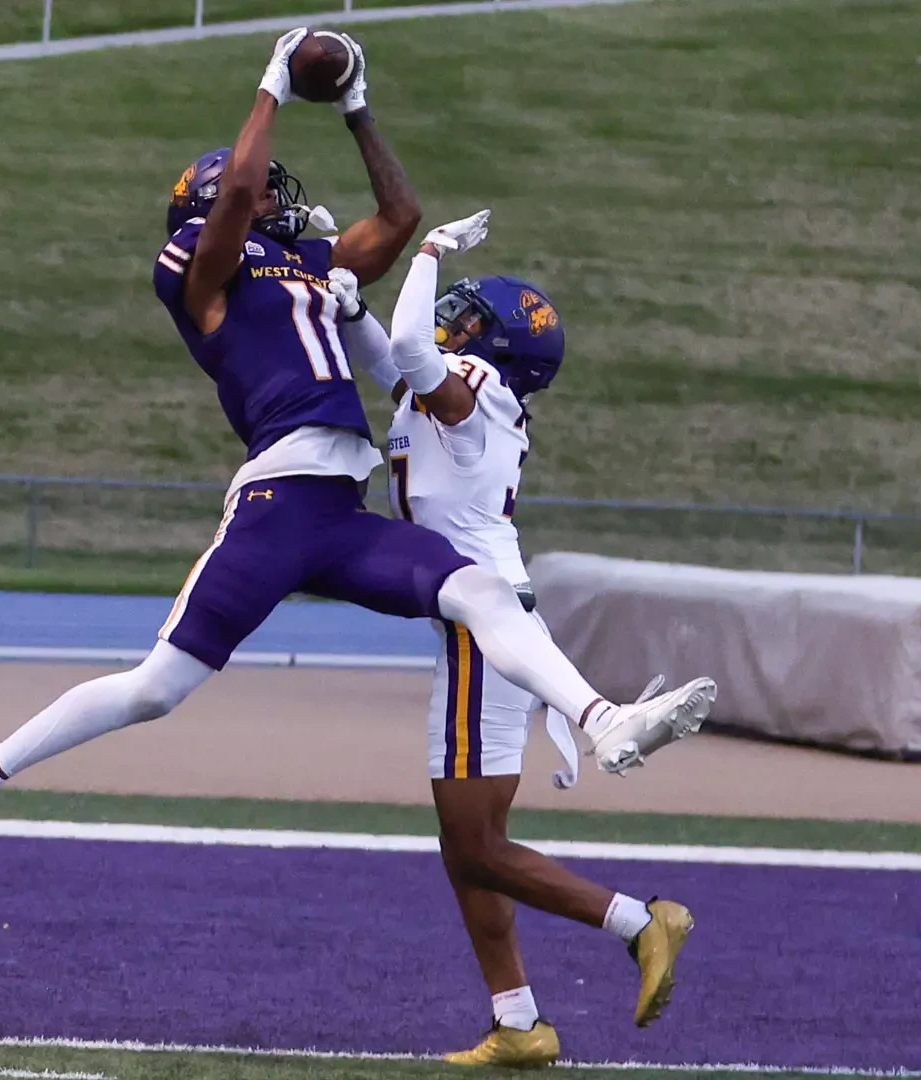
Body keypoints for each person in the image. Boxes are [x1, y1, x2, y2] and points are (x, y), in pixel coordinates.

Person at [0, 26, 715, 973]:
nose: (284, 202)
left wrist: (357, 103)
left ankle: (602, 719)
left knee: (485, 595)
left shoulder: (303, 264)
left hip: (339, 508)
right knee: (155, 690)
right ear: (217, 206)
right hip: (276, 503)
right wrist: (272, 83)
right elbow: (247, 196)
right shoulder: (195, 267)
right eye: (261, 194)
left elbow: (401, 213)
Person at [325, 221, 707, 1066]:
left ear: (491, 345)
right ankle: (519, 1022)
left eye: (470, 320)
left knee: (474, 846)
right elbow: (393, 362)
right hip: (486, 618)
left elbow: (413, 350)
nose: (455, 325)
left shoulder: (473, 378)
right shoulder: (468, 391)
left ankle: (642, 923)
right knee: (470, 847)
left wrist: (424, 255)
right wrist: (353, 310)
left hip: (480, 628)